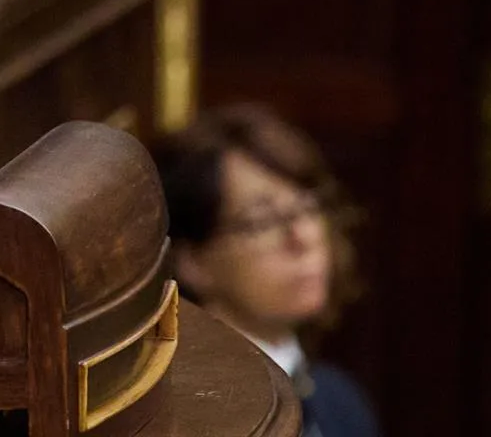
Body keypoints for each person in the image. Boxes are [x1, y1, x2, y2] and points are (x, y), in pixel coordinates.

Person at [153, 104, 378, 437]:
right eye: (264, 221)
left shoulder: (337, 399)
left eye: (307, 205)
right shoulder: (190, 424)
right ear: (193, 262)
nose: (303, 237)